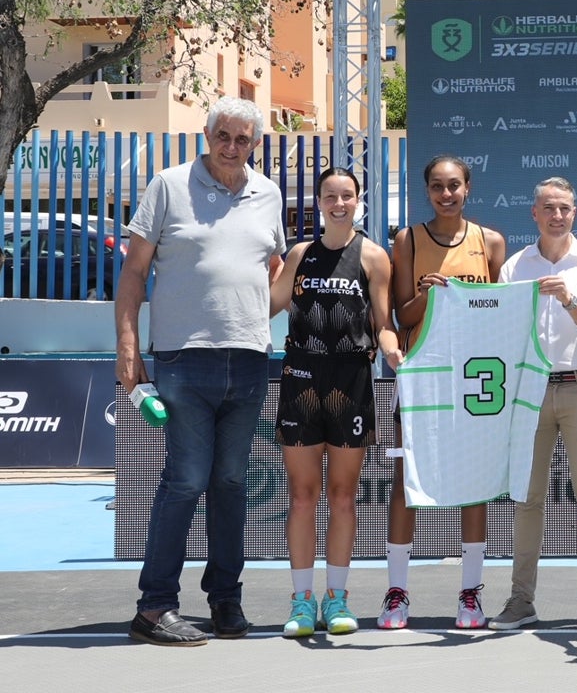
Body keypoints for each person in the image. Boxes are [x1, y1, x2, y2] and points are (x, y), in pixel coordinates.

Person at [115, 96, 286, 646]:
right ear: (206, 135)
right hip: (184, 360)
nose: (232, 147)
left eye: (243, 139)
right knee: (186, 480)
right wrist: (127, 347)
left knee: (231, 483)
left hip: (251, 361)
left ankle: (225, 602)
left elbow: (274, 272)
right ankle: (155, 606)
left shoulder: (269, 194)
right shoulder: (167, 185)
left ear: (255, 144)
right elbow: (134, 273)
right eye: (224, 136)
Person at [269, 167, 402, 637]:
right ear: (319, 202)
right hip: (301, 379)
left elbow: (384, 322)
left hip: (352, 383)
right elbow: (269, 304)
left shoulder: (373, 257)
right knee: (303, 497)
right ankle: (302, 602)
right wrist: (257, 272)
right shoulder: (300, 254)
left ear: (358, 199)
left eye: (347, 195)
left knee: (343, 497)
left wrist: (390, 349)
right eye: (331, 195)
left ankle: (337, 600)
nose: (339, 203)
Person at [379, 154, 506, 630]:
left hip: (474, 378)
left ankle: (470, 594)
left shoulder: (490, 242)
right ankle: (397, 594)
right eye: (437, 186)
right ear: (427, 191)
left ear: (468, 188)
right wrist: (428, 295)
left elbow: (498, 315)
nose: (446, 194)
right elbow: (400, 317)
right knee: (404, 484)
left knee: (475, 485)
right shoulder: (407, 241)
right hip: (421, 375)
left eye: (454, 185)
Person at [489, 177, 577, 633]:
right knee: (526, 500)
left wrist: (569, 300)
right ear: (534, 214)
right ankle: (521, 601)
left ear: (575, 214)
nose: (557, 215)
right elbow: (500, 329)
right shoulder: (515, 266)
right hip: (529, 392)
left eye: (564, 207)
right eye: (549, 207)